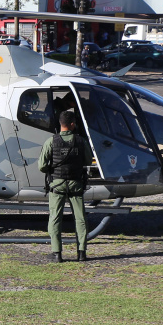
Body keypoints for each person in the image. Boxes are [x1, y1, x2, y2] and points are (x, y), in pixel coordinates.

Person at [38, 110, 93, 263]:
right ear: (72, 124)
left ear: (60, 124)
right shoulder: (81, 141)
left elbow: (41, 166)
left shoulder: (51, 141)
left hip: (57, 185)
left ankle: (57, 254)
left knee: (55, 218)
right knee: (80, 218)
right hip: (76, 184)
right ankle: (81, 253)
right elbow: (88, 161)